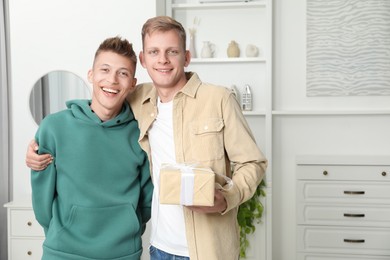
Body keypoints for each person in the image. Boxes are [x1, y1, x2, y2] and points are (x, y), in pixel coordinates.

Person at [26, 16, 267, 260]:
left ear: (186, 57)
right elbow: (103, 103)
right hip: (159, 247)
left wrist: (226, 199)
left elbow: (253, 163)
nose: (162, 60)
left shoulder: (219, 99)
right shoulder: (140, 101)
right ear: (144, 60)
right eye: (154, 52)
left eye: (172, 51)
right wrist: (35, 154)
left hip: (207, 250)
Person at [29, 36, 153, 260]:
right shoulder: (54, 127)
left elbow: (146, 198)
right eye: (104, 70)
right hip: (63, 252)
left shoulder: (141, 133)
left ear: (132, 84)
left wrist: (129, 230)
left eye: (123, 73)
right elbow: (41, 198)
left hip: (123, 253)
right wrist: (60, 232)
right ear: (91, 75)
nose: (112, 80)